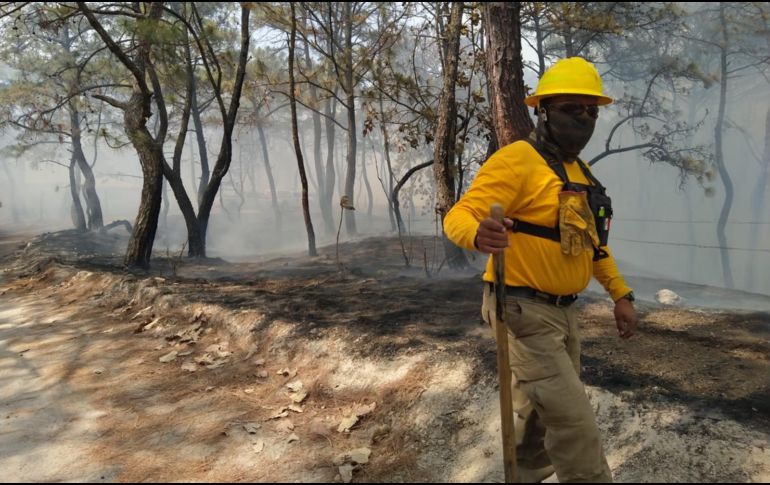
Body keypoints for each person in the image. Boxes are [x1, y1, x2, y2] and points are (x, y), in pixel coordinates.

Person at [444, 57, 637, 483]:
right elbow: (459, 214)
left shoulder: (580, 173)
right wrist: (479, 234)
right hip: (523, 311)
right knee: (575, 424)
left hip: (566, 314)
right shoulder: (517, 160)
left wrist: (620, 295)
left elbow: (593, 247)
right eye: (572, 109)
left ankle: (525, 475)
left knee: (536, 417)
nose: (583, 120)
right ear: (543, 110)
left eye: (591, 112)